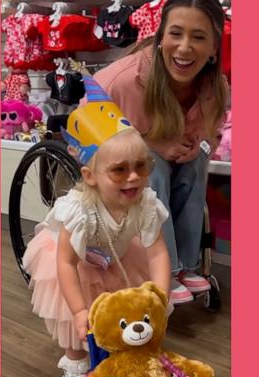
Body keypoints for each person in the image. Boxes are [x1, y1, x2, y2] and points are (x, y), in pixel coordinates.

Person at [23, 76, 172, 377]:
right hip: (71, 262)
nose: (133, 177)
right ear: (90, 176)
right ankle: (75, 365)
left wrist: (158, 296)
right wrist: (78, 311)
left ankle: (118, 356)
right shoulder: (79, 210)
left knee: (120, 307)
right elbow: (65, 262)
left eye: (141, 167)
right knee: (75, 325)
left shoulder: (145, 203)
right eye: (119, 169)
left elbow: (157, 253)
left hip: (117, 252)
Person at [91, 0, 229, 304]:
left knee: (197, 163)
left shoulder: (215, 87)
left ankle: (186, 267)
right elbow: (90, 136)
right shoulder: (120, 81)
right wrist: (148, 145)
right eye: (175, 34)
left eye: (198, 37)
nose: (184, 48)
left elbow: (213, 135)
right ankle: (165, 268)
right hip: (117, 166)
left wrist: (198, 147)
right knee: (152, 167)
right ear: (161, 37)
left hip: (176, 165)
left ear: (214, 48)